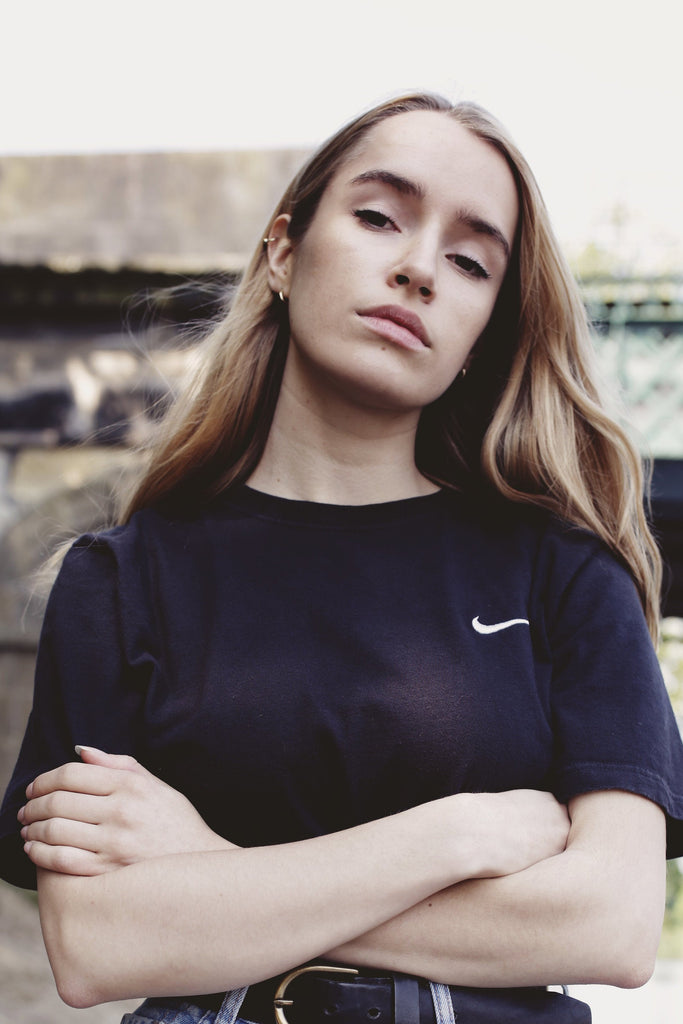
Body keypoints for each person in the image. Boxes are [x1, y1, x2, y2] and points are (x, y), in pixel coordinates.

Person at [1, 92, 682, 1024]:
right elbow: (98, 946)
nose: (418, 269)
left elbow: (608, 924)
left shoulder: (565, 573)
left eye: (469, 261)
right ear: (283, 252)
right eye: (377, 217)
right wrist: (453, 836)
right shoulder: (120, 582)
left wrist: (210, 872)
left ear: (485, 329)